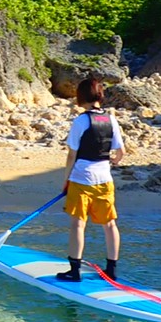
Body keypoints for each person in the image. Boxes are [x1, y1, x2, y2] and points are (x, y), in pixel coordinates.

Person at [56, 77, 125, 282]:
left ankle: (74, 271)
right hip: (105, 179)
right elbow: (120, 152)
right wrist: (111, 162)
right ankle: (111, 270)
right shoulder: (111, 119)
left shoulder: (81, 120)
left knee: (78, 224)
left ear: (81, 96)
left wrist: (66, 180)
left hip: (81, 178)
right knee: (110, 224)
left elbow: (71, 155)